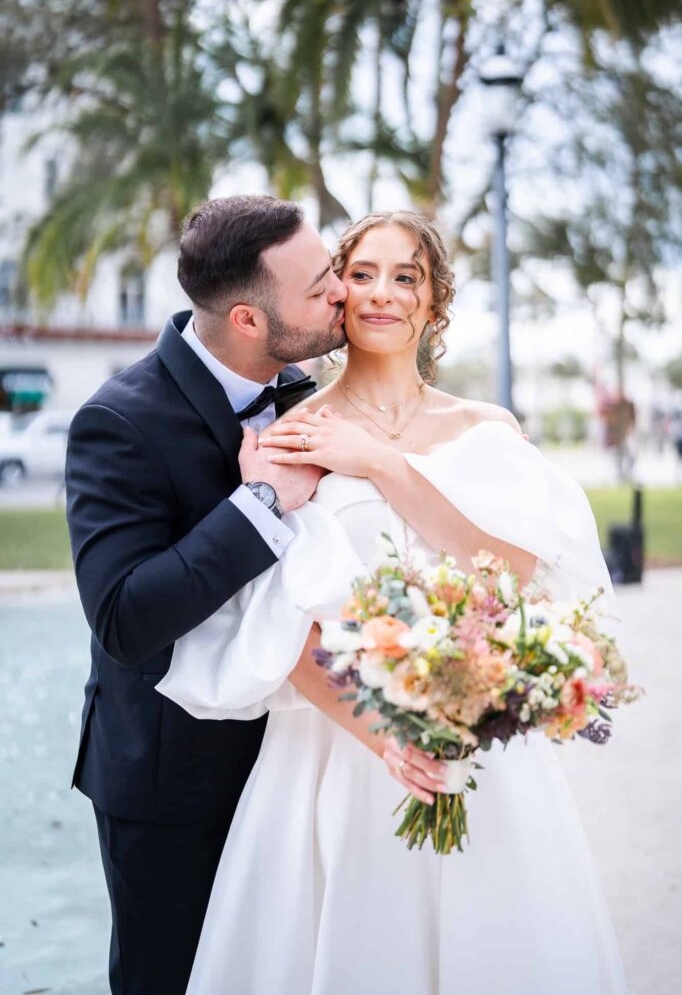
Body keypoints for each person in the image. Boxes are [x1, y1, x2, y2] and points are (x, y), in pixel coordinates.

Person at [160, 211, 627, 993]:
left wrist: (379, 463)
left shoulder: (486, 430)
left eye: (405, 276)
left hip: (481, 750)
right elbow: (284, 627)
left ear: (434, 302)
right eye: (363, 274)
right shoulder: (289, 437)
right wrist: (389, 741)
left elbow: (511, 570)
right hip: (338, 755)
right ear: (336, 295)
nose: (382, 293)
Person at [64, 194, 350, 995]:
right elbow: (124, 617)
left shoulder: (324, 399)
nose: (342, 293)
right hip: (174, 785)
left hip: (301, 764)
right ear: (249, 322)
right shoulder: (117, 422)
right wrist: (261, 505)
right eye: (321, 282)